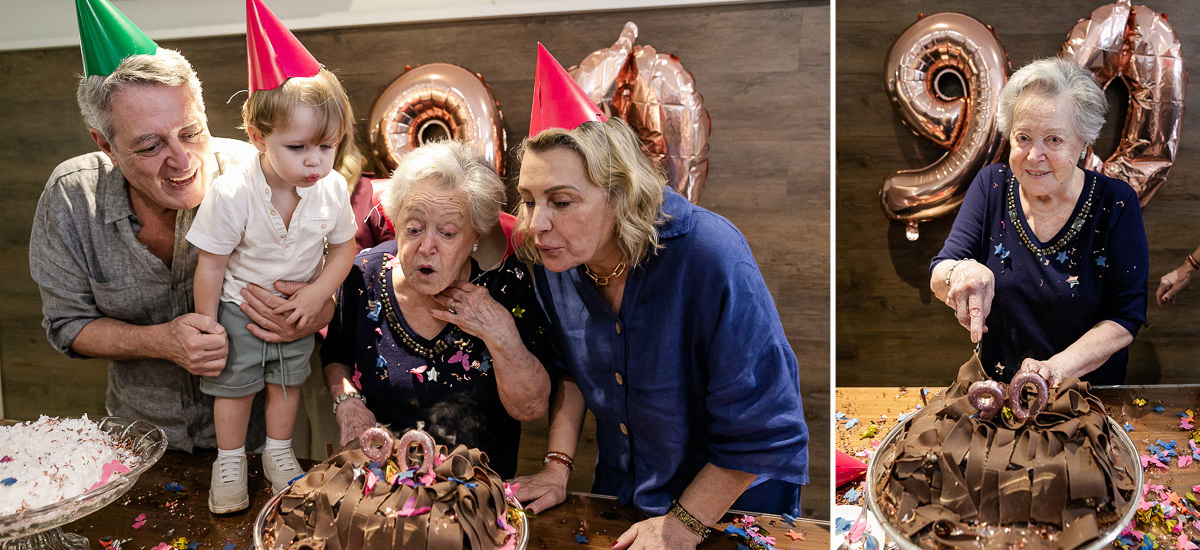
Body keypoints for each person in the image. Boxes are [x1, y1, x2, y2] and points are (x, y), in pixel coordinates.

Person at [511, 44, 808, 550]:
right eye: (528, 199)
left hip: (730, 508)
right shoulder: (554, 258)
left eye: (561, 201)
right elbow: (570, 369)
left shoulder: (711, 255)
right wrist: (558, 466)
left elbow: (765, 427)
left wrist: (682, 524)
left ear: (621, 193)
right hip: (626, 496)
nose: (537, 224)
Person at [29, 0, 327, 454]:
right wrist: (160, 341)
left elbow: (331, 297)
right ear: (104, 144)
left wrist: (310, 315)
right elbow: (68, 325)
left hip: (260, 445)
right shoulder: (72, 198)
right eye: (150, 146)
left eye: (191, 133)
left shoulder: (264, 178)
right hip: (139, 444)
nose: (183, 162)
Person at [321, 139, 553, 479]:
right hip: (381, 488)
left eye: (447, 233)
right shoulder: (363, 276)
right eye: (413, 228)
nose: (426, 246)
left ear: (475, 235)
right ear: (395, 221)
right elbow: (336, 356)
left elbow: (531, 408)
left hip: (477, 495)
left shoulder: (506, 286)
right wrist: (347, 402)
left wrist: (498, 331)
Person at [931, 57, 1149, 387]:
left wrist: (1055, 368)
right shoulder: (992, 185)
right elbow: (939, 271)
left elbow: (1125, 318)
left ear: (1083, 143)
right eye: (1023, 137)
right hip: (998, 394)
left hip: (1086, 396)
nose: (1034, 156)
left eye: (1053, 140)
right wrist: (959, 272)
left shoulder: (1115, 203)